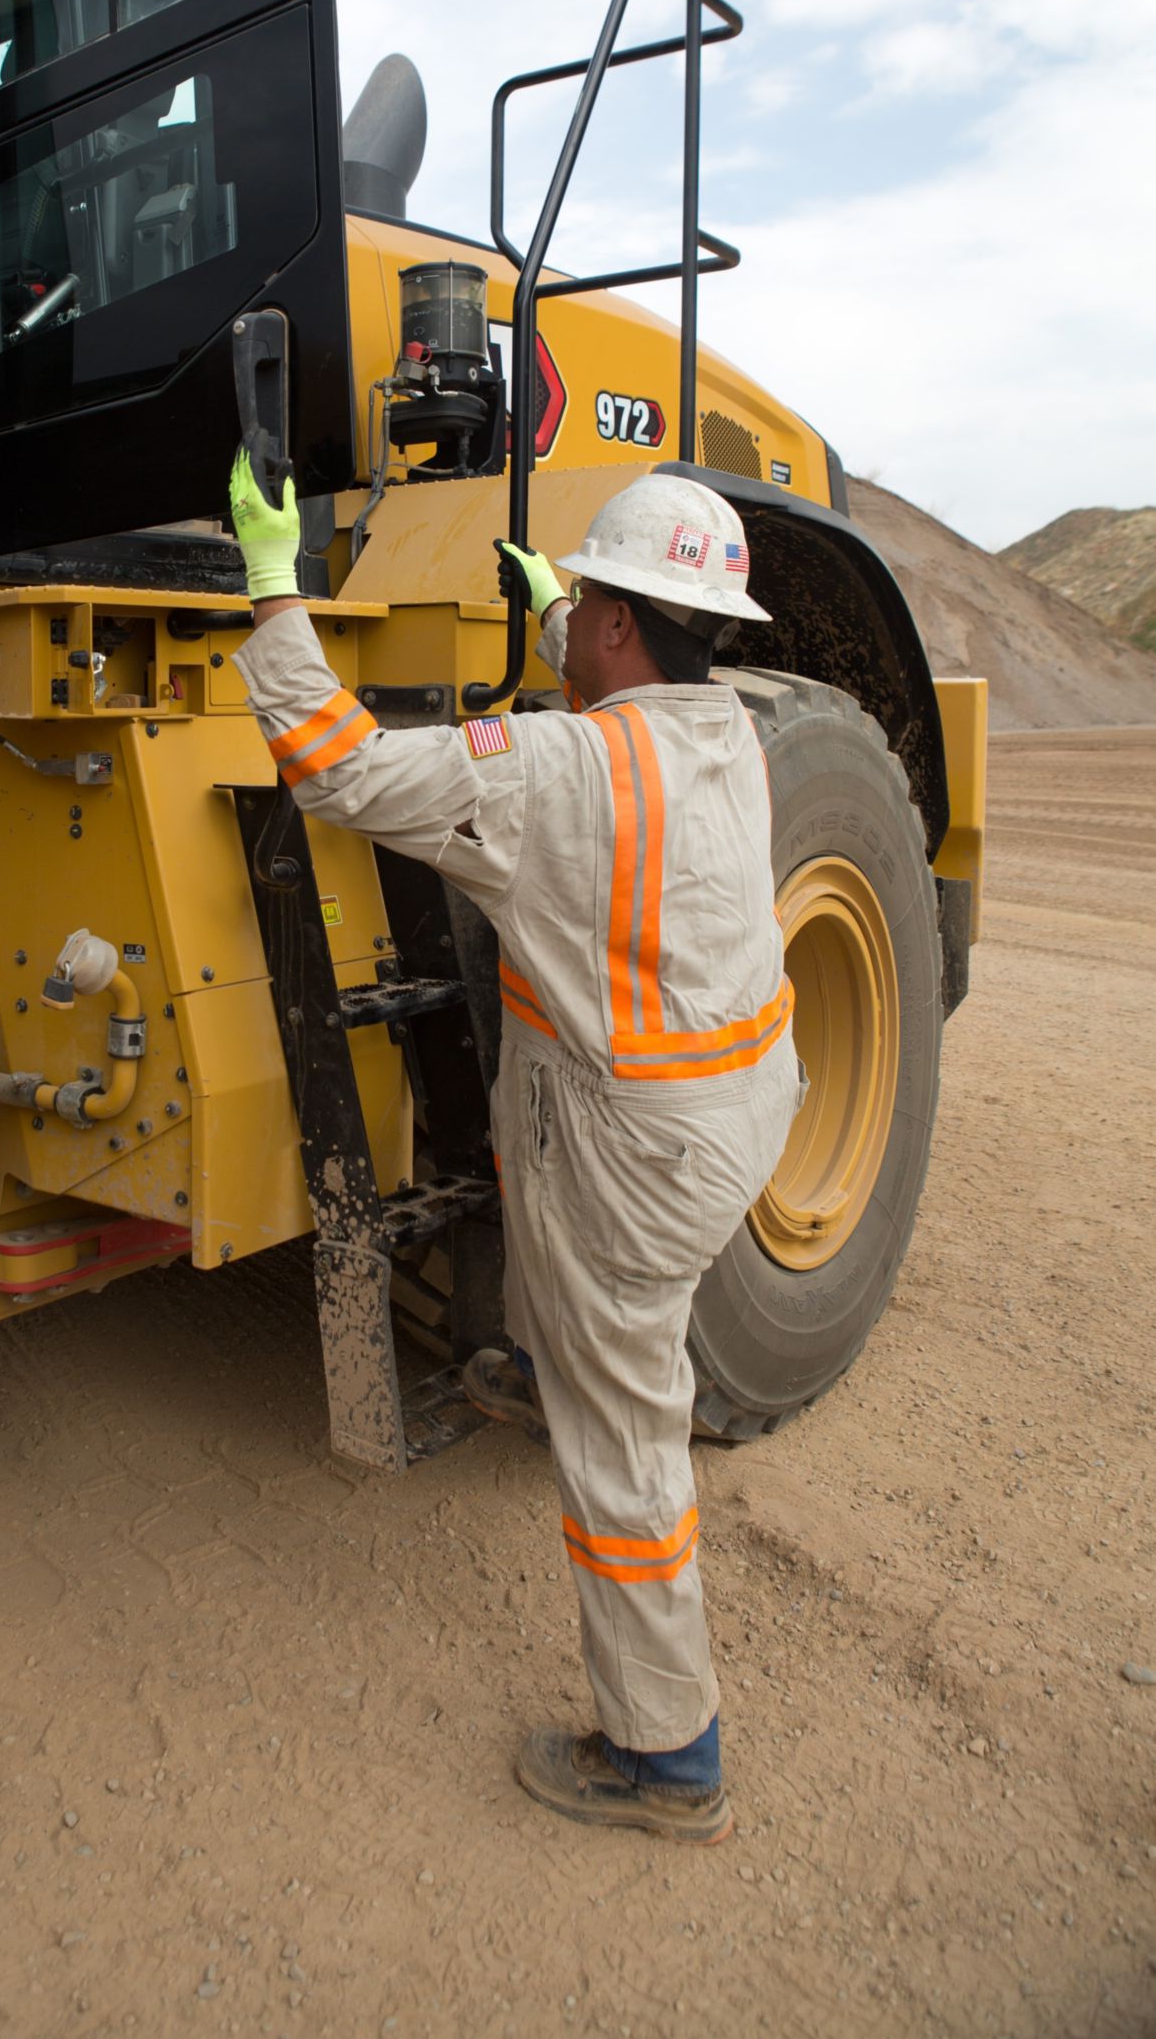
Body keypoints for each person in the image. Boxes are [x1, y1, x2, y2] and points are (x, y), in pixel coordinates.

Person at [229, 452, 805, 1845]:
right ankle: (555, 1358)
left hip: (644, 1152)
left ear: (618, 625)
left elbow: (342, 769)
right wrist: (558, 613)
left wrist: (271, 589)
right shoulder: (720, 730)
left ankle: (667, 1757)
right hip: (737, 1105)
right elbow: (605, 723)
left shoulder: (558, 768)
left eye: (582, 605)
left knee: (627, 1439)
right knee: (543, 1143)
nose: (570, 622)